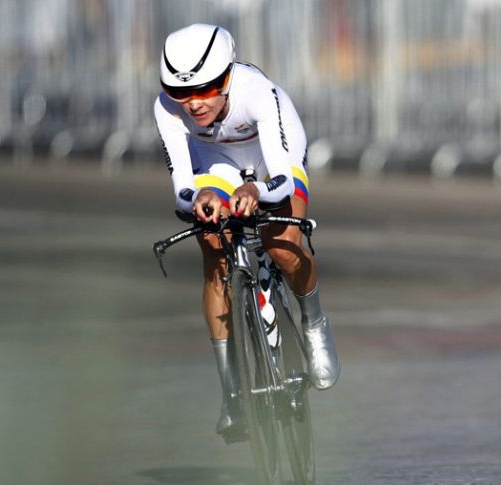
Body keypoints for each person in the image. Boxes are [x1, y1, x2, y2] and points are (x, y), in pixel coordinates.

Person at [153, 23, 340, 443]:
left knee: (283, 246)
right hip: (215, 162)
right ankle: (232, 390)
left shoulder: (256, 91)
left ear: (227, 77)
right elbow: (183, 186)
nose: (194, 103)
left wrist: (255, 189)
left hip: (272, 157)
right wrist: (199, 202)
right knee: (214, 254)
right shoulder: (167, 108)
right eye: (182, 92)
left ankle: (314, 324)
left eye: (206, 89)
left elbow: (283, 180)